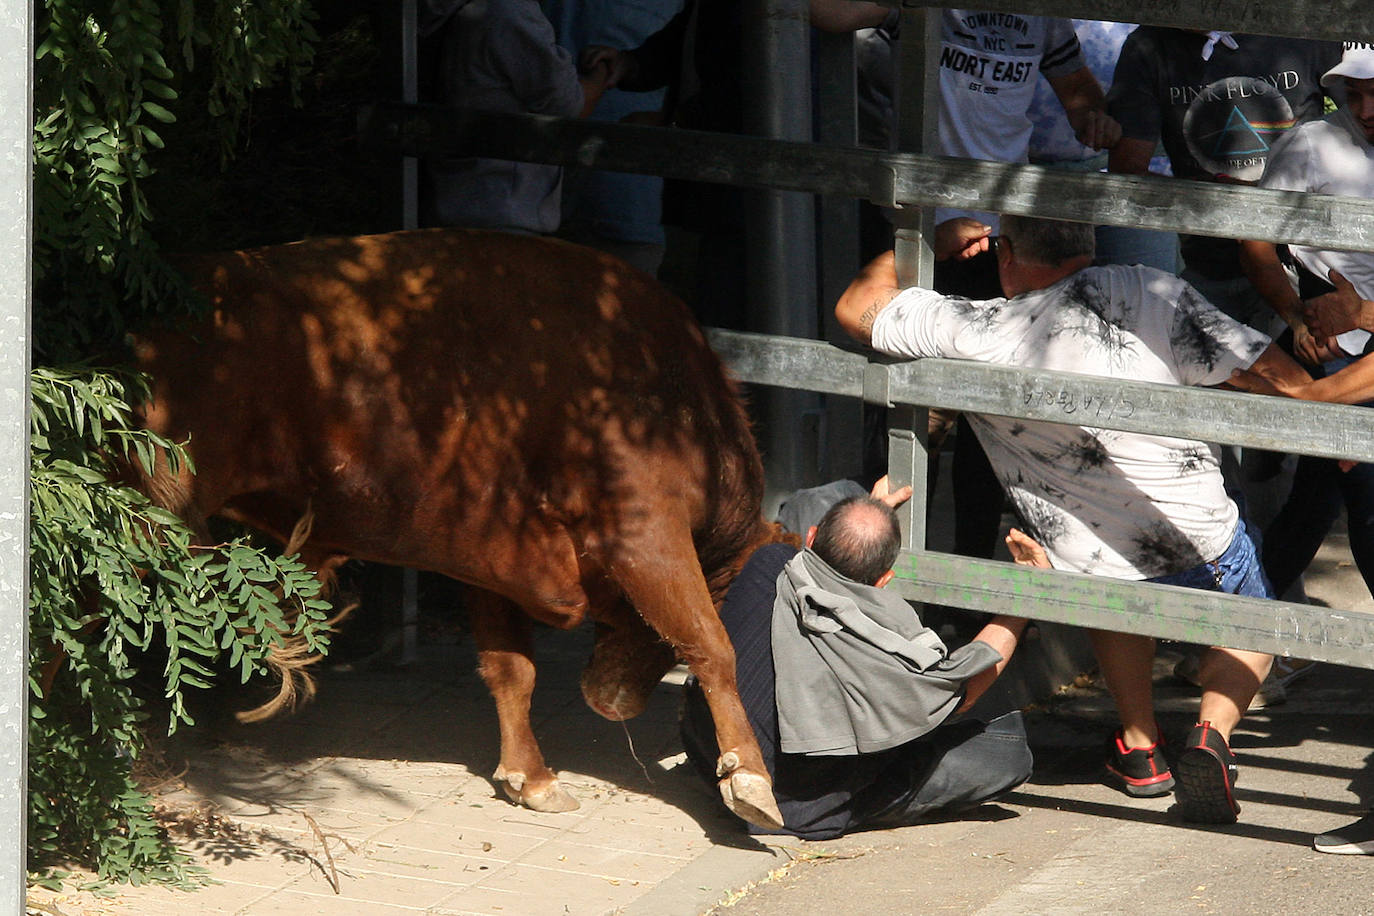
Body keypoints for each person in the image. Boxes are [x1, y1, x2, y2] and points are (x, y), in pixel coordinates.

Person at [836, 214, 1311, 824]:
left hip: (1086, 562)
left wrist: (926, 242)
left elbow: (856, 305)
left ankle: (1141, 748)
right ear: (1087, 244)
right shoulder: (1150, 290)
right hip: (1201, 538)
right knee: (1253, 626)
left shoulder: (978, 328)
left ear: (1005, 253)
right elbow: (1281, 379)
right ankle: (1209, 735)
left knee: (1105, 571)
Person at [679, 478, 1034, 840]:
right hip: (801, 811)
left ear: (812, 536)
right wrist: (1025, 599)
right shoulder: (890, 652)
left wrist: (869, 508)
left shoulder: (768, 564)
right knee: (1006, 752)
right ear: (884, 580)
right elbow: (965, 691)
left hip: (712, 761)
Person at [420, 0, 610, 233]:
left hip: (452, 207)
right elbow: (570, 105)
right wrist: (602, 71)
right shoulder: (509, 11)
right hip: (502, 214)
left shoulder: (440, 12)